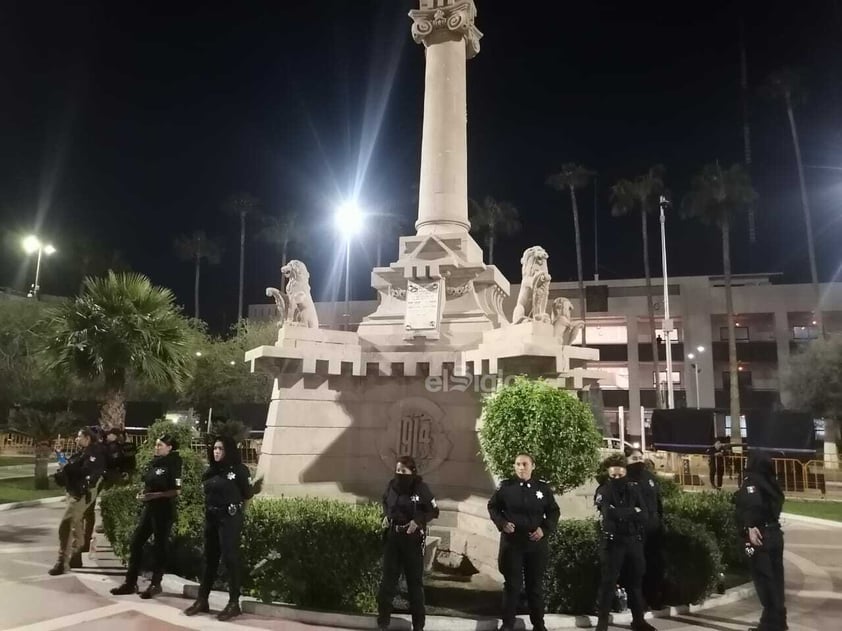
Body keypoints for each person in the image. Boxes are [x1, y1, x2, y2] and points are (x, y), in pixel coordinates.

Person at [184, 435, 254, 622]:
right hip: (212, 517)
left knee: (230, 558)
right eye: (215, 448)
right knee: (209, 559)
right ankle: (202, 599)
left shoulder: (239, 470)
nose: (216, 451)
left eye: (221, 448)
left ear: (228, 450)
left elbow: (247, 495)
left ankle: (233, 603)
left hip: (229, 518)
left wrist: (239, 515)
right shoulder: (210, 471)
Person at [487, 453, 560, 631]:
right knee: (512, 585)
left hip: (535, 544)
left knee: (535, 586)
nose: (521, 467)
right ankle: (507, 624)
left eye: (525, 464)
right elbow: (493, 507)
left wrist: (544, 529)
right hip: (512, 543)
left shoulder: (542, 488)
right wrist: (502, 523)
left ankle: (538, 624)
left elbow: (553, 511)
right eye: (518, 464)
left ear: (532, 466)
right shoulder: (505, 487)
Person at [110, 434, 182, 598]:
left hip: (163, 511)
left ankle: (156, 584)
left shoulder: (174, 462)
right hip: (150, 508)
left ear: (169, 447)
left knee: (159, 547)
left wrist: (154, 496)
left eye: (160, 445)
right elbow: (150, 483)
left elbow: (176, 491)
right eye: (156, 445)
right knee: (136, 542)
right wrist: (144, 493)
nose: (156, 447)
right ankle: (130, 583)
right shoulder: (155, 463)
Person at [376, 455, 439, 631]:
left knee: (414, 585)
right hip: (393, 539)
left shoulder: (421, 488)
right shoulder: (392, 486)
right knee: (387, 583)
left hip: (412, 540)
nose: (399, 474)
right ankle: (383, 623)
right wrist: (386, 516)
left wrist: (417, 521)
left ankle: (418, 626)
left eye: (403, 471)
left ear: (412, 471)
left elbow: (434, 511)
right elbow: (385, 502)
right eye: (397, 470)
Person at [594, 454, 656, 631]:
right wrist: (631, 512)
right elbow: (607, 515)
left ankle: (638, 621)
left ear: (625, 474)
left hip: (633, 543)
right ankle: (602, 624)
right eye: (613, 476)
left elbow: (644, 514)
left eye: (619, 475)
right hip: (613, 544)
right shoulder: (603, 491)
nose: (616, 479)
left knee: (635, 583)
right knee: (608, 584)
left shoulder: (634, 489)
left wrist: (619, 512)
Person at [734, 450, 787, 631]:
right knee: (776, 580)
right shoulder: (772, 483)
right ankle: (776, 621)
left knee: (764, 580)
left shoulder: (752, 482)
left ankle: (771, 625)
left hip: (759, 537)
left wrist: (749, 525)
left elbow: (751, 504)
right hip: (775, 534)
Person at [49, 427, 106, 575]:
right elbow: (69, 465)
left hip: (81, 494)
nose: (76, 439)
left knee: (66, 524)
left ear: (87, 438)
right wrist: (60, 454)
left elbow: (82, 472)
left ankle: (62, 562)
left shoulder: (95, 454)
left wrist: (67, 467)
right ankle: (77, 550)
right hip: (73, 492)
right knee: (76, 524)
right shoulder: (82, 453)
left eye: (79, 437)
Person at [625, 449, 665, 610]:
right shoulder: (624, 480)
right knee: (637, 567)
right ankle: (638, 601)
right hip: (635, 531)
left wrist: (661, 522)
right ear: (627, 460)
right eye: (635, 458)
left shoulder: (650, 478)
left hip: (654, 530)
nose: (638, 461)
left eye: (641, 458)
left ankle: (654, 597)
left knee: (655, 565)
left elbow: (658, 501)